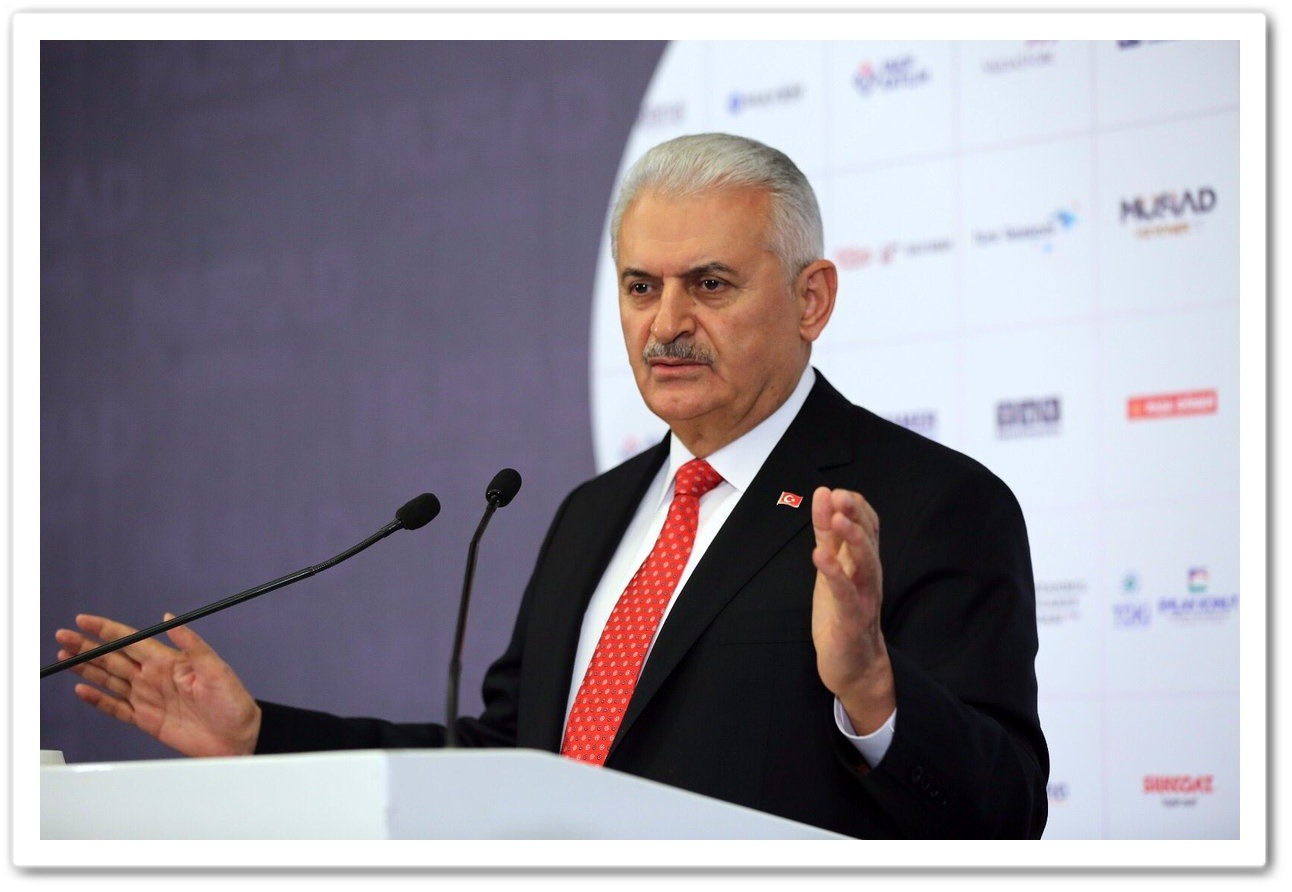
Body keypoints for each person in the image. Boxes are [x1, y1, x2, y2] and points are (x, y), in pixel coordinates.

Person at [55, 132, 1048, 839]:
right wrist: (261, 738)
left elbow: (1004, 816)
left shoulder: (929, 504)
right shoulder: (594, 514)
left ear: (810, 299)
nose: (666, 323)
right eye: (639, 286)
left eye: (708, 284)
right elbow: (510, 760)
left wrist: (872, 689)